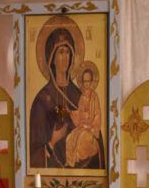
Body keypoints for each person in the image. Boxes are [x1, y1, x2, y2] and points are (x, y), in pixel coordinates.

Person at [29, 20, 103, 170]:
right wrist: (52, 142)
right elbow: (34, 151)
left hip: (83, 170)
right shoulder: (41, 100)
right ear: (52, 58)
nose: (65, 57)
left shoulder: (81, 95)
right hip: (51, 174)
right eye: (61, 52)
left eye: (68, 52)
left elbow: (97, 136)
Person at [65, 61, 102, 168]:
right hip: (82, 127)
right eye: (84, 81)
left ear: (91, 82)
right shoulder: (81, 98)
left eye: (88, 81)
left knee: (82, 138)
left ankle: (76, 160)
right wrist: (71, 112)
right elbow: (80, 113)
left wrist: (92, 128)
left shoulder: (94, 97)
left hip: (91, 129)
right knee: (69, 137)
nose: (86, 84)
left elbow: (97, 115)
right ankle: (70, 162)